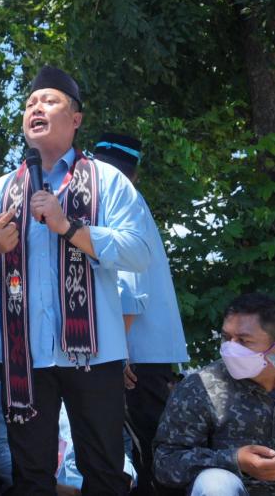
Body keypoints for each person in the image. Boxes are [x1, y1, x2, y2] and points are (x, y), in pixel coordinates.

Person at [0, 64, 151, 495]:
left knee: (104, 470)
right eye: (30, 103)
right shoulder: (1, 190)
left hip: (95, 353)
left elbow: (139, 251)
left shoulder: (107, 180)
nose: (36, 108)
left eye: (49, 101)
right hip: (24, 355)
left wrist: (70, 227)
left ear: (76, 118)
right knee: (30, 475)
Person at [153, 293, 275, 495]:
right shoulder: (201, 388)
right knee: (215, 483)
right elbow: (165, 462)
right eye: (226, 338)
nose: (229, 348)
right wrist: (235, 460)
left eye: (243, 341)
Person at [93, 132, 189, 495]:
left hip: (133, 355)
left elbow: (129, 288)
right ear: (135, 172)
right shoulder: (134, 199)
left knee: (143, 452)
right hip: (147, 352)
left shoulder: (117, 200)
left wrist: (119, 354)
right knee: (151, 447)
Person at [0, 383, 138, 495]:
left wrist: (125, 474)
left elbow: (118, 438)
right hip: (38, 488)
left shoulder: (94, 385)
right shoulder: (9, 388)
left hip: (98, 485)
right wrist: (53, 487)